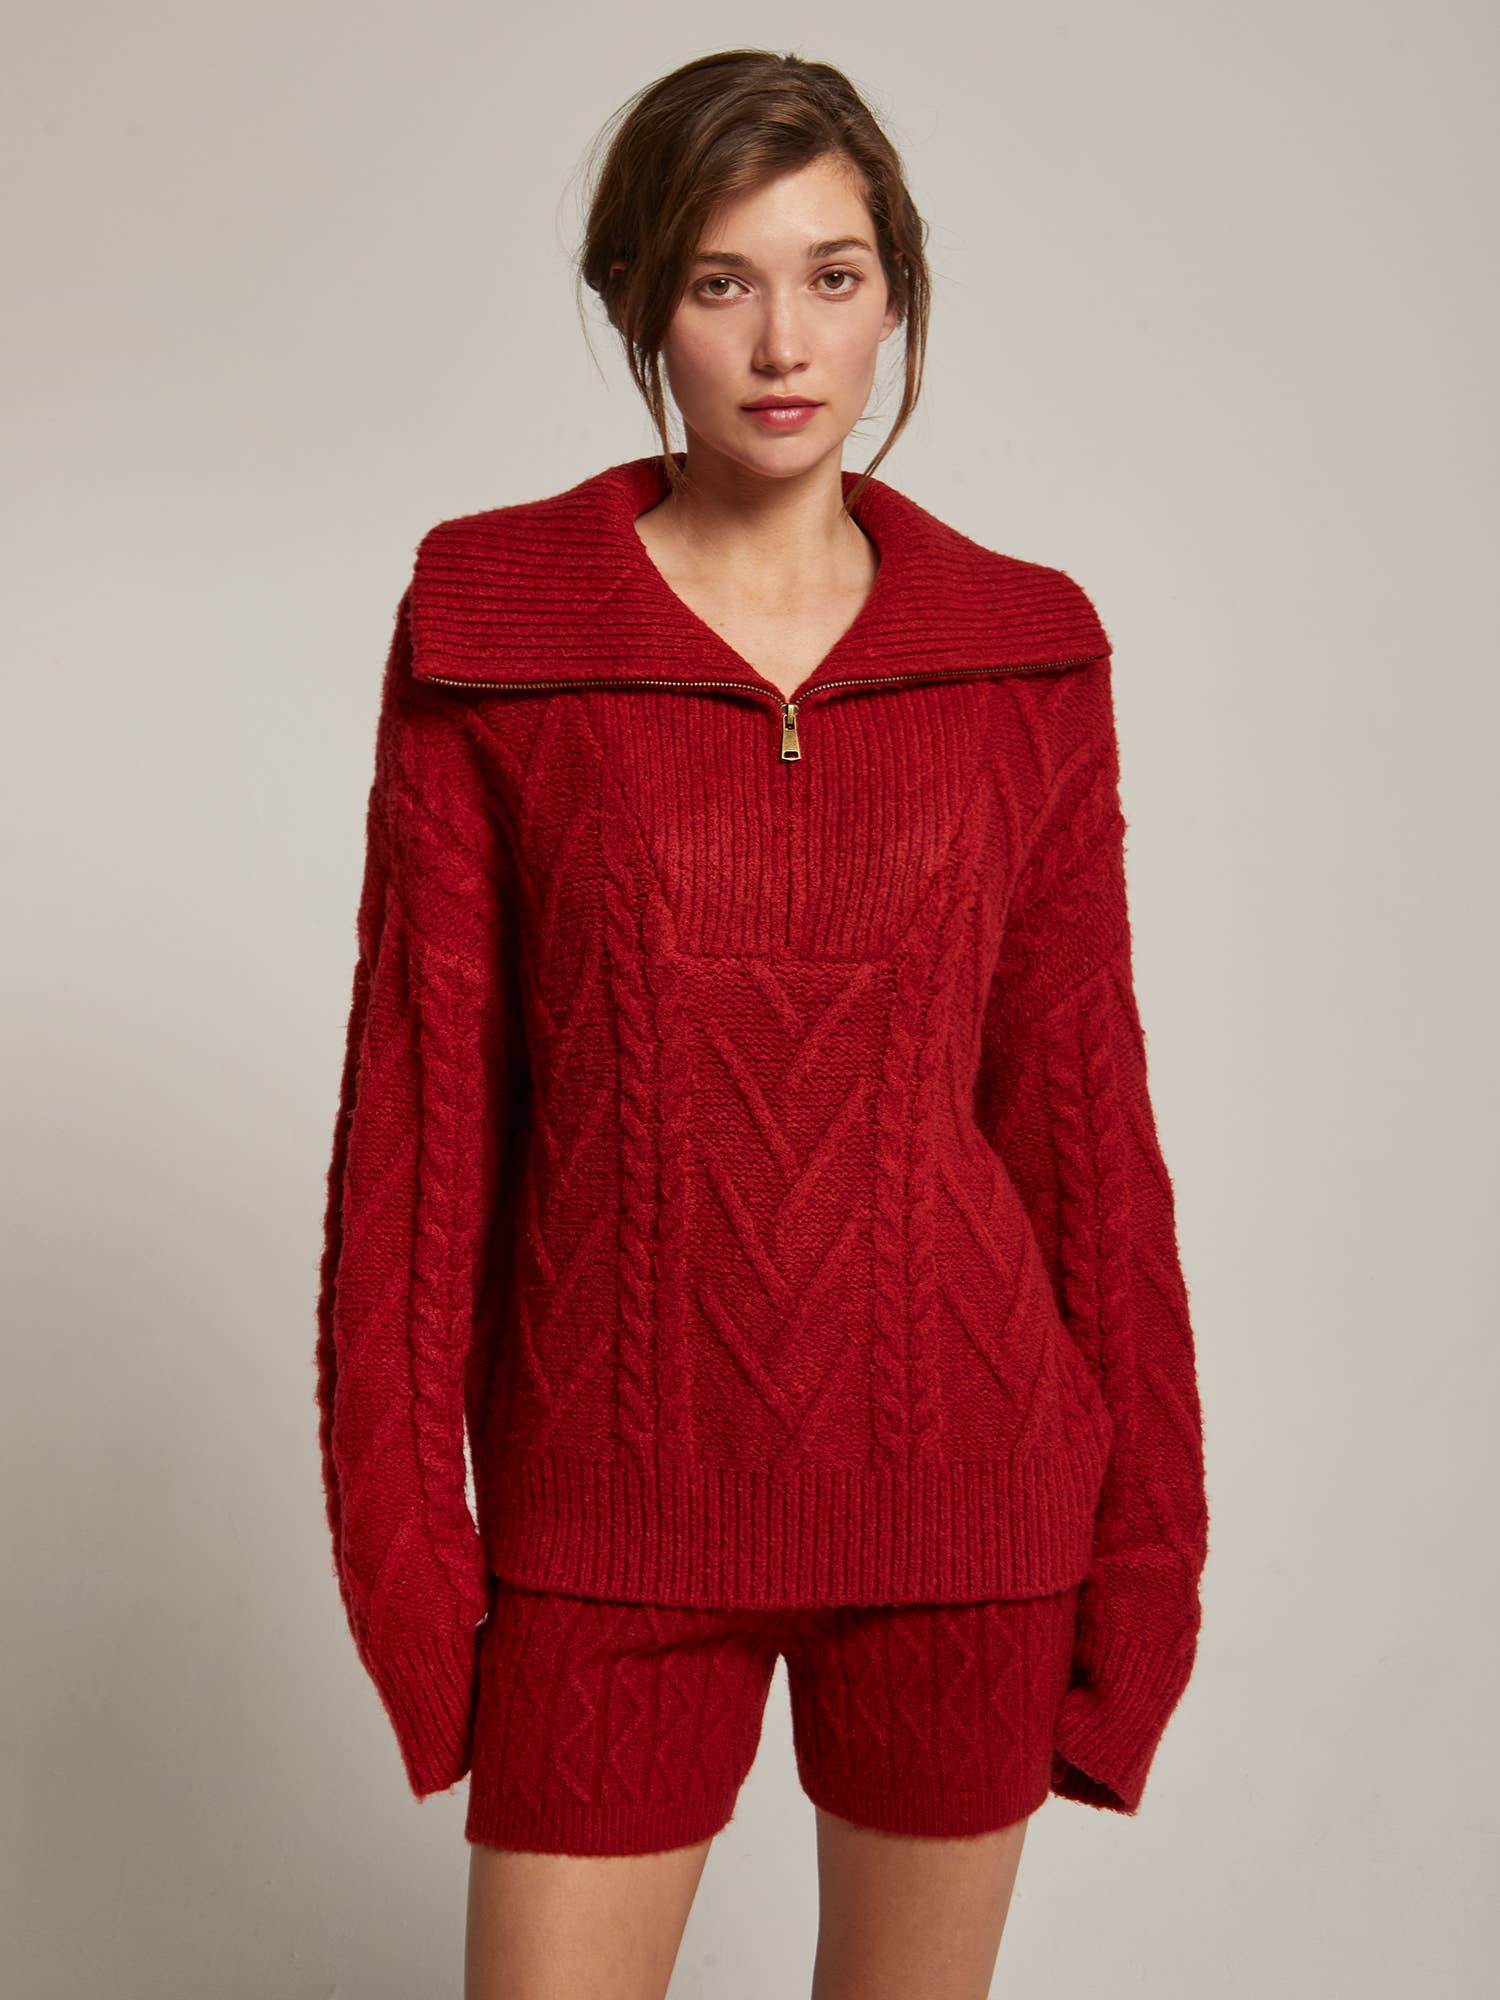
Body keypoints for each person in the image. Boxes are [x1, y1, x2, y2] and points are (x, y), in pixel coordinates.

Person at [314, 46, 1210, 2000]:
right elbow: (423, 1131)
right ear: (643, 301)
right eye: (722, 281)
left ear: (896, 295)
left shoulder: (1022, 653)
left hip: (966, 1503)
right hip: (608, 1515)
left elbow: (1082, 1130)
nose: (784, 341)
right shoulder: (498, 631)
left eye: (833, 274)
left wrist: (1149, 1564)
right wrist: (408, 1561)